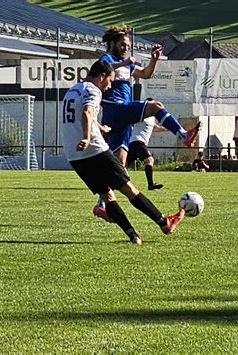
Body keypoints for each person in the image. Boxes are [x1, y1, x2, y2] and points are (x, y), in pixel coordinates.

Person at [61, 60, 185, 245]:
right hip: (94, 149)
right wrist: (87, 138)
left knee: (107, 196)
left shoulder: (72, 90)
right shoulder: (93, 90)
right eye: (109, 81)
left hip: (74, 155)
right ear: (101, 76)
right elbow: (87, 112)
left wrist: (100, 127)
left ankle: (133, 236)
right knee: (129, 189)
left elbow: (83, 115)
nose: (109, 86)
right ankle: (164, 222)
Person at [93, 24, 201, 220]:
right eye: (123, 44)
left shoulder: (125, 64)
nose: (126, 47)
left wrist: (154, 59)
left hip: (120, 116)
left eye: (128, 45)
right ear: (113, 43)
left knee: (119, 164)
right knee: (155, 106)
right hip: (115, 109)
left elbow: (146, 74)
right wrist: (125, 63)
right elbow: (104, 69)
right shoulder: (108, 59)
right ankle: (184, 135)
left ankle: (101, 205)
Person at [126, 116, 164, 190]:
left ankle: (113, 183)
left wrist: (171, 129)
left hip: (134, 143)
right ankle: (151, 184)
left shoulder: (152, 118)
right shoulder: (141, 114)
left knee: (123, 165)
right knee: (149, 160)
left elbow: (156, 128)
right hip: (138, 142)